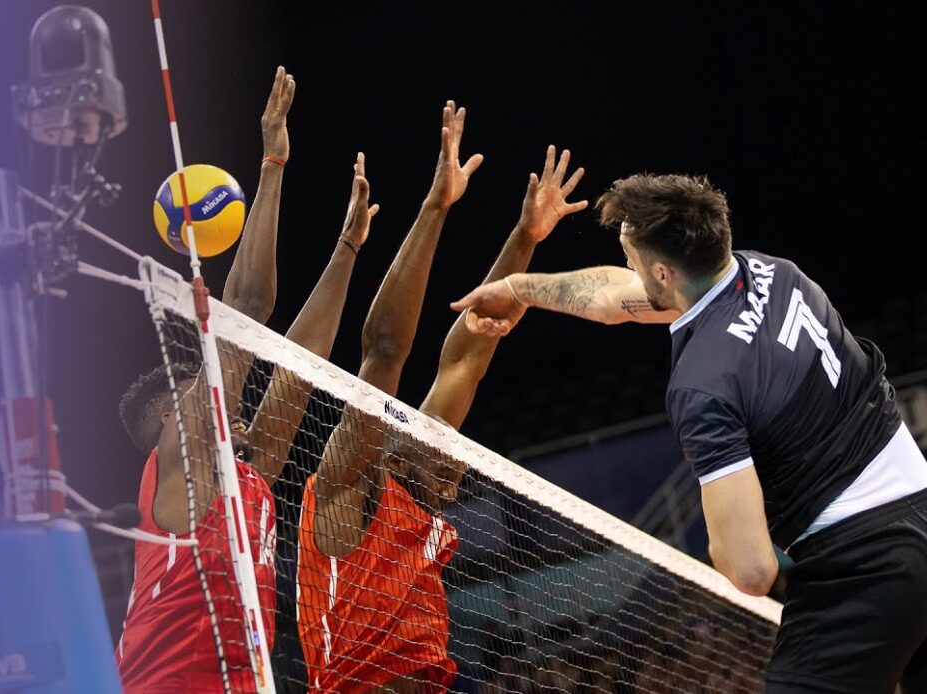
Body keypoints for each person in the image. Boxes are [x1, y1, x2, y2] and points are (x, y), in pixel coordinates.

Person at [452, 172, 927, 692]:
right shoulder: (777, 273)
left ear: (662, 274)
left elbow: (753, 570)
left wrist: (722, 538)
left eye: (632, 259)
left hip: (868, 573)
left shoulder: (702, 385)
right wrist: (519, 288)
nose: (629, 269)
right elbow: (612, 298)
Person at [296, 114, 588, 694]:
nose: (454, 489)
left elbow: (465, 360)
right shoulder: (346, 494)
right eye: (452, 471)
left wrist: (525, 239)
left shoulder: (415, 488)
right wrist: (436, 207)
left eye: (453, 470)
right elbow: (382, 353)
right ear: (401, 452)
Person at [116, 67, 381, 693]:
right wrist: (270, 164)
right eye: (201, 396)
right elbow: (248, 311)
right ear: (170, 421)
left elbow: (297, 366)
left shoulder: (244, 471)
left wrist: (346, 247)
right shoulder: (185, 459)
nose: (234, 409)